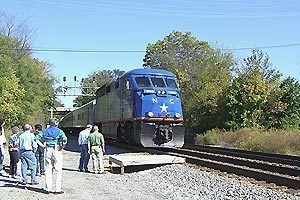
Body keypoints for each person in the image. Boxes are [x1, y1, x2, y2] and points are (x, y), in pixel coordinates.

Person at [36, 118, 67, 194]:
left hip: (48, 149)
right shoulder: (59, 131)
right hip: (57, 149)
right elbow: (65, 140)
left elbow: (36, 138)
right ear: (56, 123)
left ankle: (48, 189)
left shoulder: (45, 131)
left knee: (48, 169)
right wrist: (62, 147)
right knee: (58, 169)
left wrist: (43, 145)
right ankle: (57, 189)